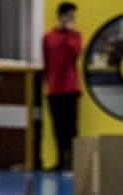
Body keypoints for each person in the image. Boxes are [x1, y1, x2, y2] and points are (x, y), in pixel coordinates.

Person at [42, 2, 82, 171]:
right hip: (54, 88)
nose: (71, 19)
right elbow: (47, 61)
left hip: (70, 87)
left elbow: (75, 54)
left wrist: (68, 33)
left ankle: (72, 161)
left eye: (72, 17)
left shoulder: (75, 36)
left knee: (71, 126)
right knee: (57, 126)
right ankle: (60, 160)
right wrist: (47, 83)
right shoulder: (48, 37)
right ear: (61, 16)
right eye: (69, 16)